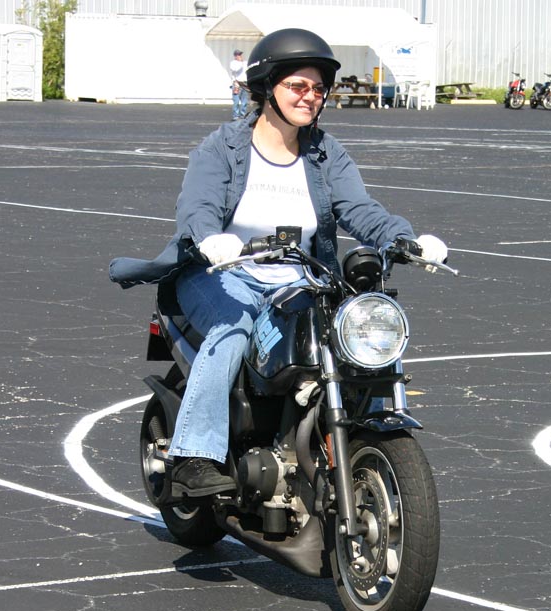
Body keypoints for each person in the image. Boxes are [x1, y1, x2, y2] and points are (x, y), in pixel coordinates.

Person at [108, 28, 448, 498]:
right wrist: (210, 239)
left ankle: (359, 429)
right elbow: (197, 206)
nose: (310, 96)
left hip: (301, 278)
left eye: (318, 88)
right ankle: (193, 456)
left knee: (361, 327)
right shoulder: (222, 148)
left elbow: (360, 209)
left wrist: (404, 238)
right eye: (298, 86)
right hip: (221, 274)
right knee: (234, 328)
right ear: (267, 87)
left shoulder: (325, 153)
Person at [229, 49, 248, 120]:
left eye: (240, 54)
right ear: (235, 56)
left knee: (244, 101)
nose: (240, 56)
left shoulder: (245, 62)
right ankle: (236, 115)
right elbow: (235, 69)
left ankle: (242, 114)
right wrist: (241, 63)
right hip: (237, 83)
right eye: (238, 55)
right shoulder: (233, 63)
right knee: (236, 101)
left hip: (244, 83)